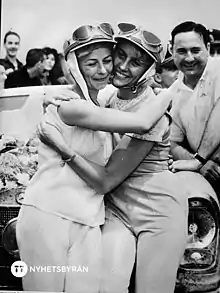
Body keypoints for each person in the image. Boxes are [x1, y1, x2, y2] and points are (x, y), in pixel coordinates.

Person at [16, 23, 172, 293]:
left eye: (107, 61)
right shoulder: (69, 106)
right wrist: (173, 91)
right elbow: (142, 121)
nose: (103, 70)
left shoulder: (101, 103)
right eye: (91, 64)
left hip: (89, 221)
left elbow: (131, 106)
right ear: (75, 66)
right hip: (47, 217)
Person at [166, 21, 220, 195]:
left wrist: (206, 160)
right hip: (210, 177)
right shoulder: (173, 92)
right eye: (182, 51)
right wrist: (201, 165)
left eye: (195, 50)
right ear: (171, 50)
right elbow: (172, 142)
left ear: (208, 47)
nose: (189, 58)